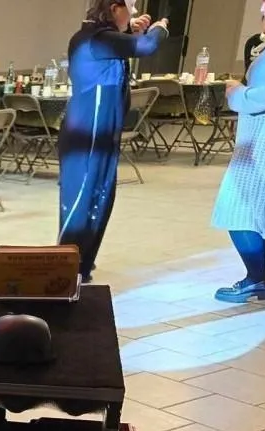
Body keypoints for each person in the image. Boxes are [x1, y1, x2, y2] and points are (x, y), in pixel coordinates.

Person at [58, 2, 168, 282]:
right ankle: (65, 270)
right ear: (114, 7)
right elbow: (146, 47)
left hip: (103, 135)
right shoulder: (94, 39)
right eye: (130, 7)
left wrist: (130, 30)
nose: (133, 13)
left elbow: (122, 45)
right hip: (86, 136)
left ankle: (82, 266)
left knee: (101, 198)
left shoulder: (104, 39)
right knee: (82, 201)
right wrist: (159, 29)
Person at [212, 0, 265, 302]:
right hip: (263, 136)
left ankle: (257, 278)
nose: (262, 17)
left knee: (237, 204)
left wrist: (238, 93)